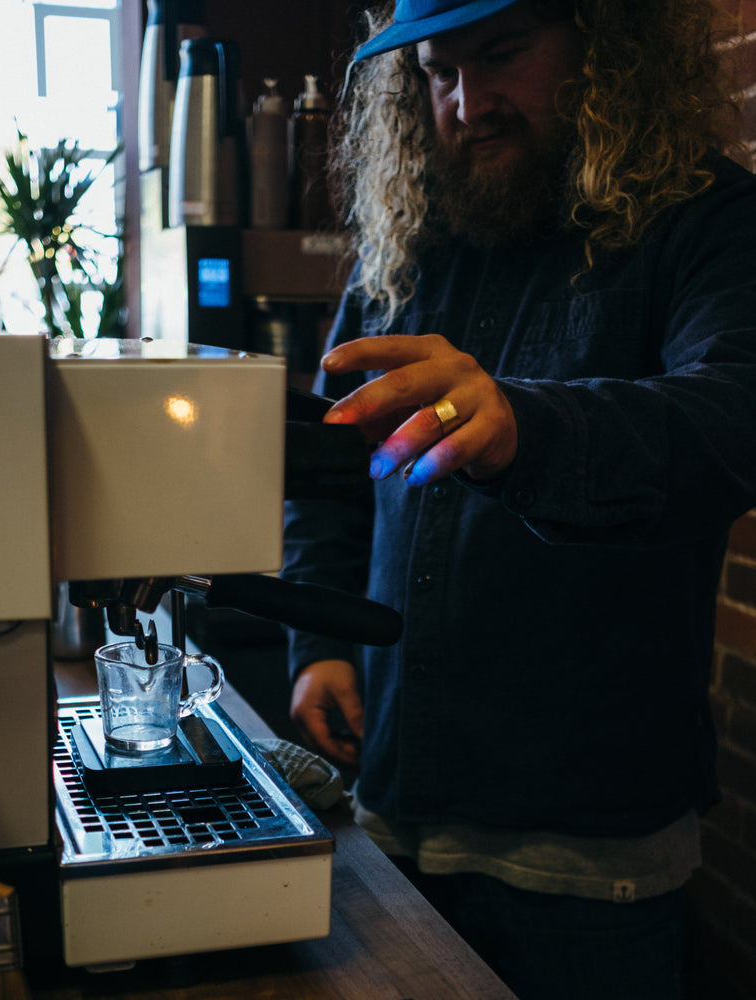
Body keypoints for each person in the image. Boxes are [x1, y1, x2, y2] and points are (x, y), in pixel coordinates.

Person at [280, 1, 756, 998]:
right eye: (437, 74)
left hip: (587, 856)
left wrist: (520, 430)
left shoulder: (710, 220)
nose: (467, 102)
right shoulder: (406, 239)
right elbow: (330, 473)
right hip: (391, 809)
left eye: (500, 56)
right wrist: (320, 641)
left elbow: (728, 422)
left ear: (601, 42)